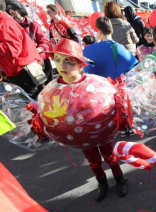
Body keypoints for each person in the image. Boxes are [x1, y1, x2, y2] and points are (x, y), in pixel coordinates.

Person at [42, 39, 128, 201]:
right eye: (58, 60)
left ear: (81, 65)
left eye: (69, 62)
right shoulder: (52, 89)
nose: (62, 66)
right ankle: (102, 183)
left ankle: (119, 179)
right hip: (79, 136)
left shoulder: (95, 83)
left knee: (110, 156)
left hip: (100, 132)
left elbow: (110, 100)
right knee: (93, 161)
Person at [6, 0, 53, 95]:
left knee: (48, 89)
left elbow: (45, 42)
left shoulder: (33, 25)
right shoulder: (9, 27)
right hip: (21, 65)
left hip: (37, 62)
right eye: (9, 10)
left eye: (14, 9)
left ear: (20, 9)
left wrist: (38, 49)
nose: (12, 12)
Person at [0, 6, 42, 97]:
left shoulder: (4, 23)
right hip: (20, 71)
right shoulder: (5, 21)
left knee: (32, 106)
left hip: (23, 73)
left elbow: (12, 50)